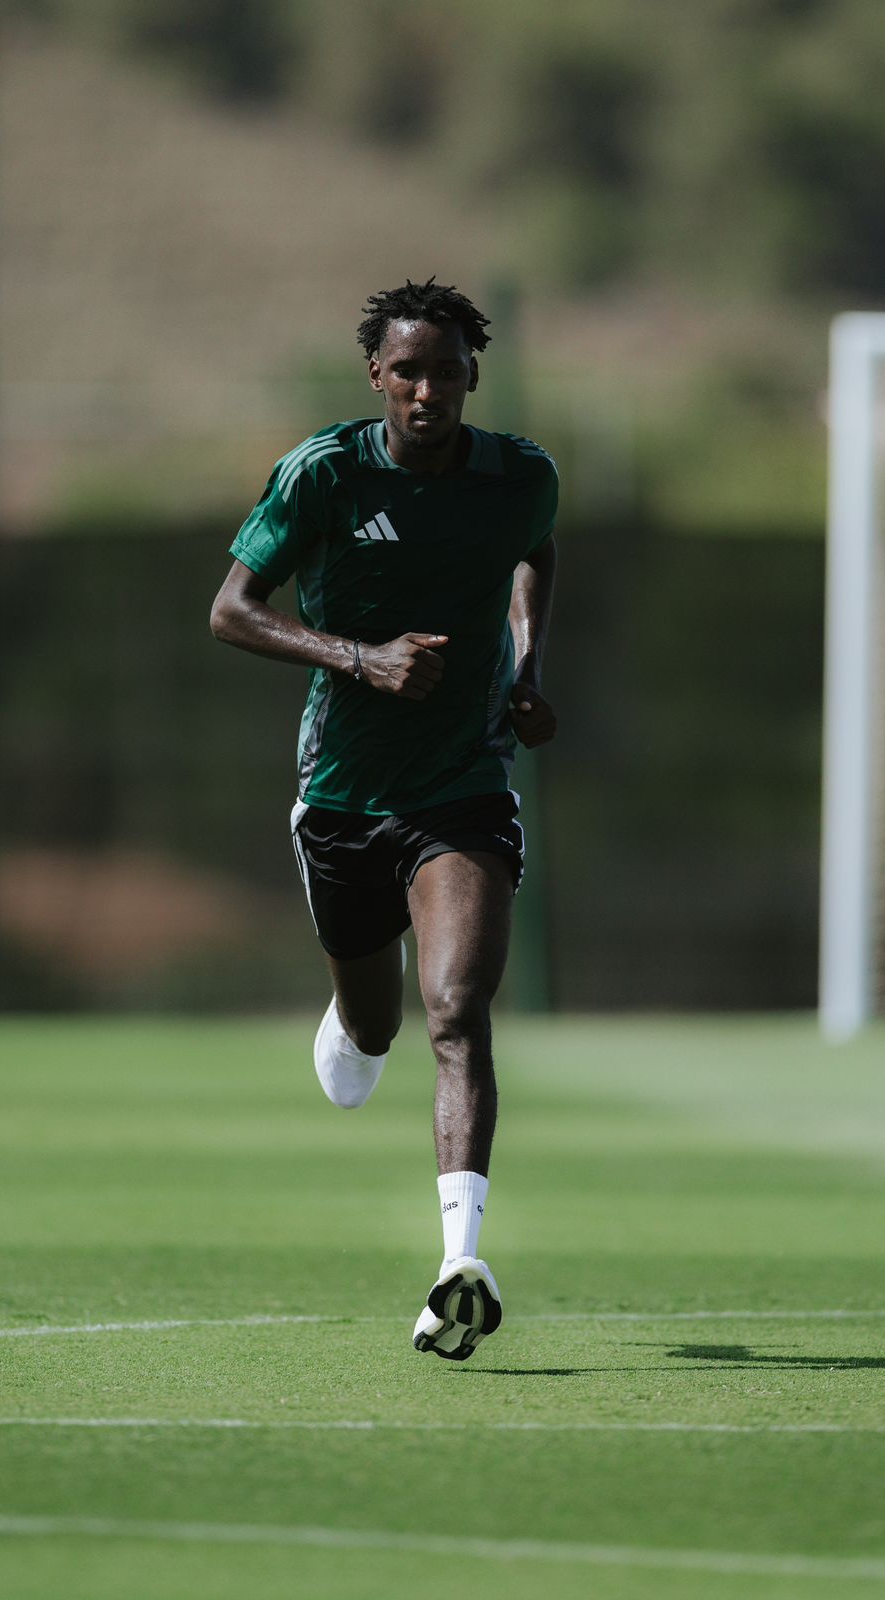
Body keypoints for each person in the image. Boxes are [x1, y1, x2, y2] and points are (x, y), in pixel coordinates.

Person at [210, 278, 557, 1360]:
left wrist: (526, 667)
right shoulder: (323, 473)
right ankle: (354, 1019)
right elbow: (231, 611)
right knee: (374, 1032)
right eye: (406, 371)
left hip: (463, 785)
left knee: (457, 1008)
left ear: (471, 376)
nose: (425, 391)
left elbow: (535, 549)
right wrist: (361, 658)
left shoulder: (519, 475)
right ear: (376, 375)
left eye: (445, 371)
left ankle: (460, 1261)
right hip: (344, 798)